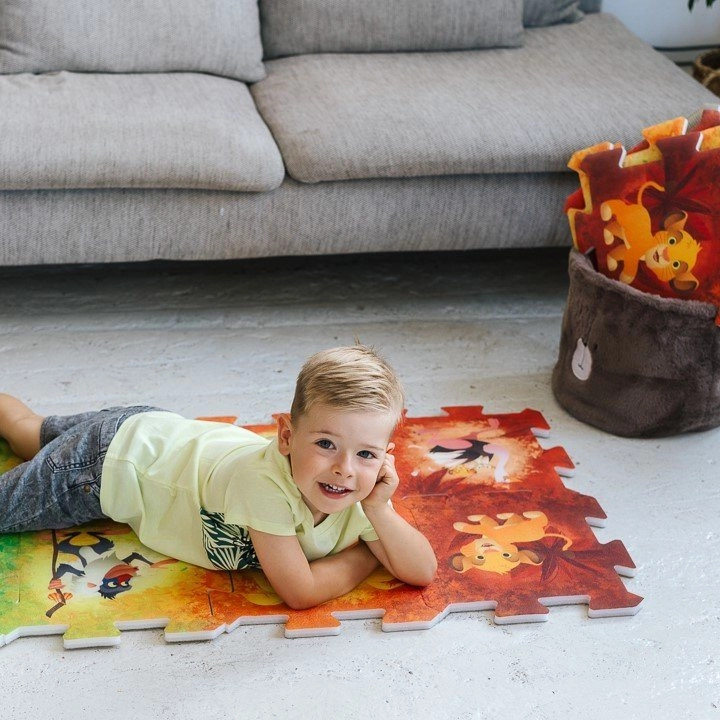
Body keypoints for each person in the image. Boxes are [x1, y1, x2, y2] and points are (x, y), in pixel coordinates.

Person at [0, 345, 437, 609]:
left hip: (154, 430)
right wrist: (368, 553)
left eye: (366, 454)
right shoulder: (263, 484)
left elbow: (422, 571)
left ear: (384, 459)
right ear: (287, 436)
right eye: (326, 443)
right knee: (20, 455)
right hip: (107, 465)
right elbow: (301, 591)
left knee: (27, 431)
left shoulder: (358, 488)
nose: (345, 467)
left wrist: (379, 513)